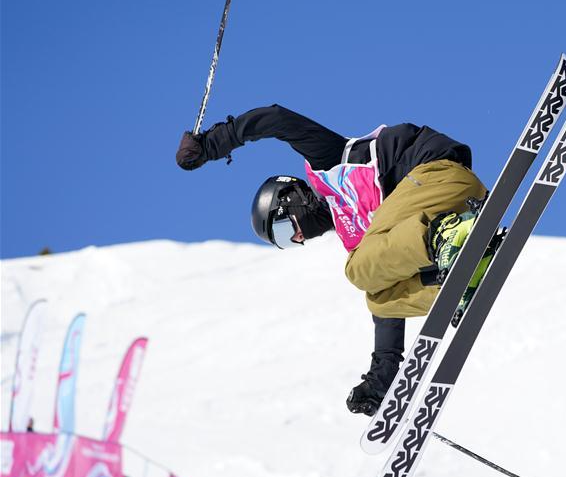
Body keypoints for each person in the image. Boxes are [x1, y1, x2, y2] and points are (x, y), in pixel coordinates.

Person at [177, 105, 487, 416]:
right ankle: (456, 282)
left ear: (290, 199)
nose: (298, 239)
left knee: (358, 270)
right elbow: (384, 283)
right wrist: (382, 378)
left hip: (433, 173)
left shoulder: (330, 165)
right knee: (378, 297)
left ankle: (445, 239)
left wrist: (211, 144)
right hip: (451, 204)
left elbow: (277, 120)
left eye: (285, 229)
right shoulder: (355, 230)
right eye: (285, 243)